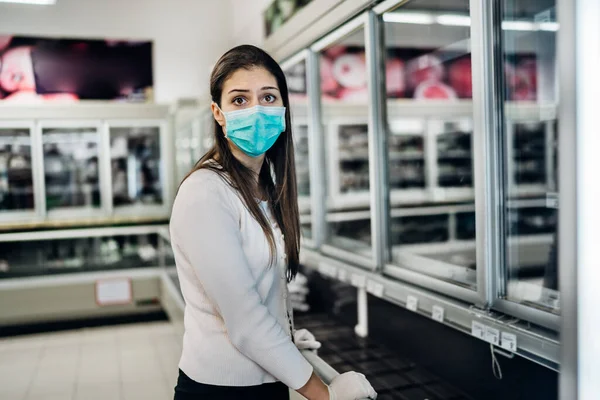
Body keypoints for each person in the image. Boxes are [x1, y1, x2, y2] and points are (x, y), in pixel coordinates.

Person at [169, 45, 377, 400]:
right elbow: (245, 320)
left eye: (268, 97)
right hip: (222, 391)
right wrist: (326, 395)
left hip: (267, 382)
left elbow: (261, 290)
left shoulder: (265, 185)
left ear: (282, 109)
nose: (256, 110)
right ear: (218, 113)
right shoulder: (205, 193)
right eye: (239, 100)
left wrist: (286, 336)